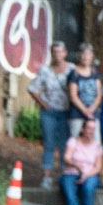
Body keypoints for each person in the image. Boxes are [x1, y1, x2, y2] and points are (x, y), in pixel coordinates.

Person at [27, 42, 72, 186]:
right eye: (55, 52)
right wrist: (43, 103)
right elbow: (32, 88)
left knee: (65, 144)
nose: (57, 55)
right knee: (49, 143)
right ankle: (47, 176)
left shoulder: (71, 69)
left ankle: (66, 174)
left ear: (65, 53)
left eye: (60, 52)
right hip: (49, 112)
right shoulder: (45, 70)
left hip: (66, 111)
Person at [59, 119, 103, 205]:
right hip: (71, 172)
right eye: (89, 128)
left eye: (93, 129)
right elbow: (66, 157)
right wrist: (76, 166)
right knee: (69, 191)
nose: (91, 131)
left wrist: (86, 174)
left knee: (88, 187)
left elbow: (98, 167)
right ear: (83, 129)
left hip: (90, 173)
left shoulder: (97, 146)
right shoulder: (73, 141)